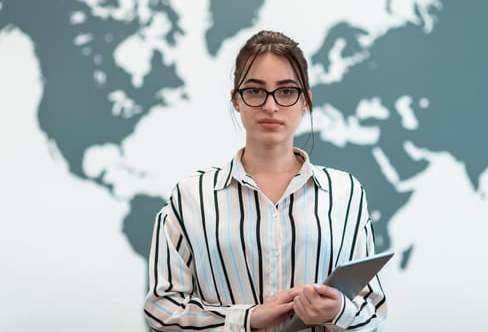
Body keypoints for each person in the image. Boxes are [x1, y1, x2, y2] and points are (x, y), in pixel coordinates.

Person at [144, 30, 387, 331]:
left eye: (286, 91)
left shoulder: (345, 193)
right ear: (236, 100)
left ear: (305, 101)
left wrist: (338, 310)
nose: (270, 106)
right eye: (255, 91)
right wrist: (247, 318)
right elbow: (161, 309)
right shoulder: (191, 196)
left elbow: (373, 311)